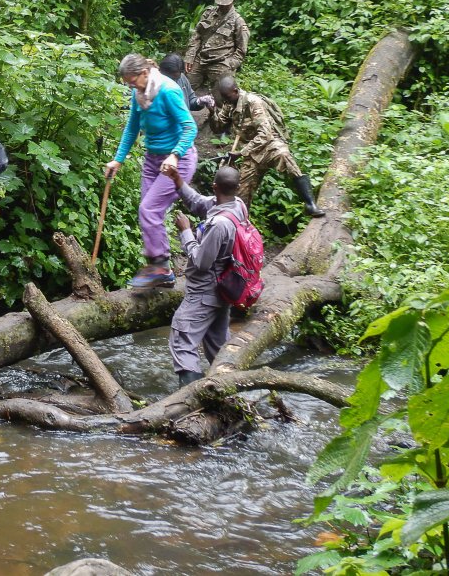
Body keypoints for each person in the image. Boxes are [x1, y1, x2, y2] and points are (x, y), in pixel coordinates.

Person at [104, 54, 198, 289]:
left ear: (145, 73)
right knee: (147, 213)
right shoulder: (139, 94)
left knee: (149, 209)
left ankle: (161, 270)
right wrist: (118, 160)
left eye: (131, 80)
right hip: (153, 160)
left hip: (178, 160)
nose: (130, 85)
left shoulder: (168, 91)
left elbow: (190, 127)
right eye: (127, 83)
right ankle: (160, 269)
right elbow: (131, 127)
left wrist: (175, 155)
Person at [162, 164, 245, 385]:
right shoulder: (238, 206)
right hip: (225, 289)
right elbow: (200, 203)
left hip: (205, 292)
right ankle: (229, 395)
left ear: (214, 186)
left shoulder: (219, 225)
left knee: (182, 341)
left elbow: (201, 262)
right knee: (218, 346)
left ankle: (191, 403)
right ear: (237, 187)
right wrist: (178, 180)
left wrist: (185, 231)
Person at [210, 76, 325, 217]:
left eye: (227, 97)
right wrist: (211, 111)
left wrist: (241, 152)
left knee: (285, 156)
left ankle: (310, 204)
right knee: (241, 195)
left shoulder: (253, 102)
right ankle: (239, 225)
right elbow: (218, 127)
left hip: (268, 145)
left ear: (235, 90)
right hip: (251, 153)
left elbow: (265, 134)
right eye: (223, 98)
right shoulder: (229, 104)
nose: (225, 101)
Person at [184, 0, 250, 95]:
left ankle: (218, 112)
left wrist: (230, 65)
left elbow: (241, 49)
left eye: (226, 2)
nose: (222, 5)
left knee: (222, 96)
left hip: (221, 62)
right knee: (185, 88)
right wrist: (190, 56)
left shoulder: (238, 22)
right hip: (201, 58)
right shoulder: (208, 13)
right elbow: (197, 36)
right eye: (220, 2)